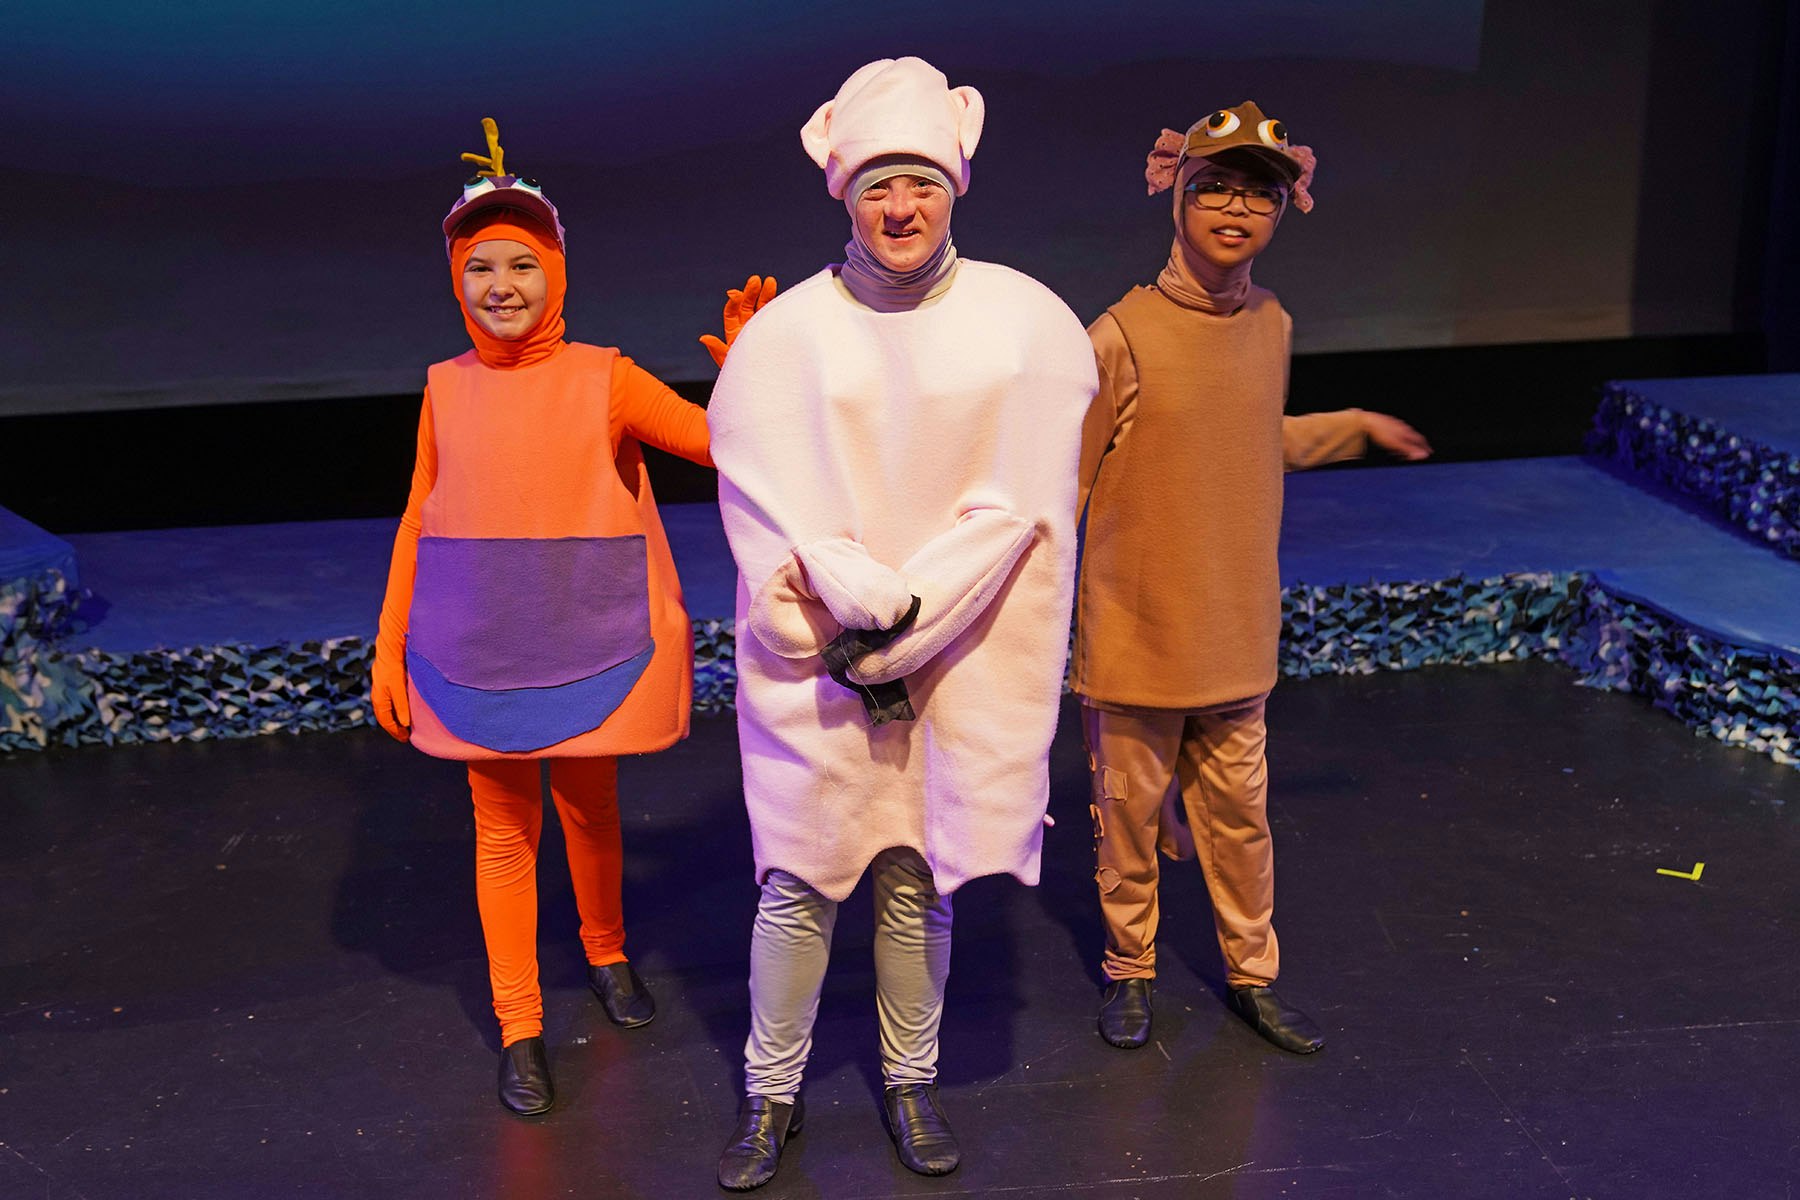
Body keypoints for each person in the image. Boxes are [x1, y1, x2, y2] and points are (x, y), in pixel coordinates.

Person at [705, 57, 1098, 1190]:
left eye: (920, 181)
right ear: (845, 191)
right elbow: (769, 508)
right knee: (798, 881)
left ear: (955, 185)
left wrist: (909, 631)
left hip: (960, 657)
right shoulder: (788, 337)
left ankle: (910, 1081)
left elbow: (1021, 513)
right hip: (817, 662)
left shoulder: (1023, 325)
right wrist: (849, 618)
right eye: (878, 183)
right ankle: (770, 1093)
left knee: (919, 876)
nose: (900, 206)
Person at [369, 119, 720, 1116]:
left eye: (523, 263)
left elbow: (719, 444)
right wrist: (390, 645)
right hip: (478, 648)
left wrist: (751, 371)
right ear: (456, 282)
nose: (502, 285)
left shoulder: (604, 376)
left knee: (590, 809)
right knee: (503, 832)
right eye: (480, 267)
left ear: (556, 272)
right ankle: (519, 1025)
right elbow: (418, 515)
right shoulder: (445, 389)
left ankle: (606, 952)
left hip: (585, 636)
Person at [1075, 102, 1432, 1056]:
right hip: (1139, 631)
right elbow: (1066, 482)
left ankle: (1252, 975)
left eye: (1260, 195)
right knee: (1128, 816)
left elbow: (1244, 438)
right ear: (1178, 196)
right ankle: (1130, 969)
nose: (1238, 209)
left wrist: (1351, 425)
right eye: (1217, 188)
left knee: (1239, 820)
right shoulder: (1121, 334)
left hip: (1234, 626)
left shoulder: (1270, 322)